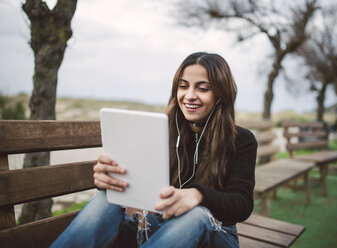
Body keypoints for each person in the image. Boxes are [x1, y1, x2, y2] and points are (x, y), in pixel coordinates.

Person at [51, 52, 257, 248]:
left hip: (215, 234)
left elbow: (241, 204)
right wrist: (111, 180)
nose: (189, 96)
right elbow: (138, 187)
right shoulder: (161, 130)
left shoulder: (241, 140)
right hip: (162, 229)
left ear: (221, 94)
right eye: (183, 86)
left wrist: (198, 195)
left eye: (203, 88)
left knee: (197, 214)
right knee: (107, 199)